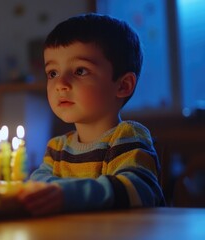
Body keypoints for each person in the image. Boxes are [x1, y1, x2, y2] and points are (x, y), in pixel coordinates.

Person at [18, 13, 165, 217]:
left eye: (80, 71)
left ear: (123, 85)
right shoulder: (57, 147)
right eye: (53, 73)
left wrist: (67, 195)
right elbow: (37, 186)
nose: (60, 84)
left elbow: (139, 191)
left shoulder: (128, 136)